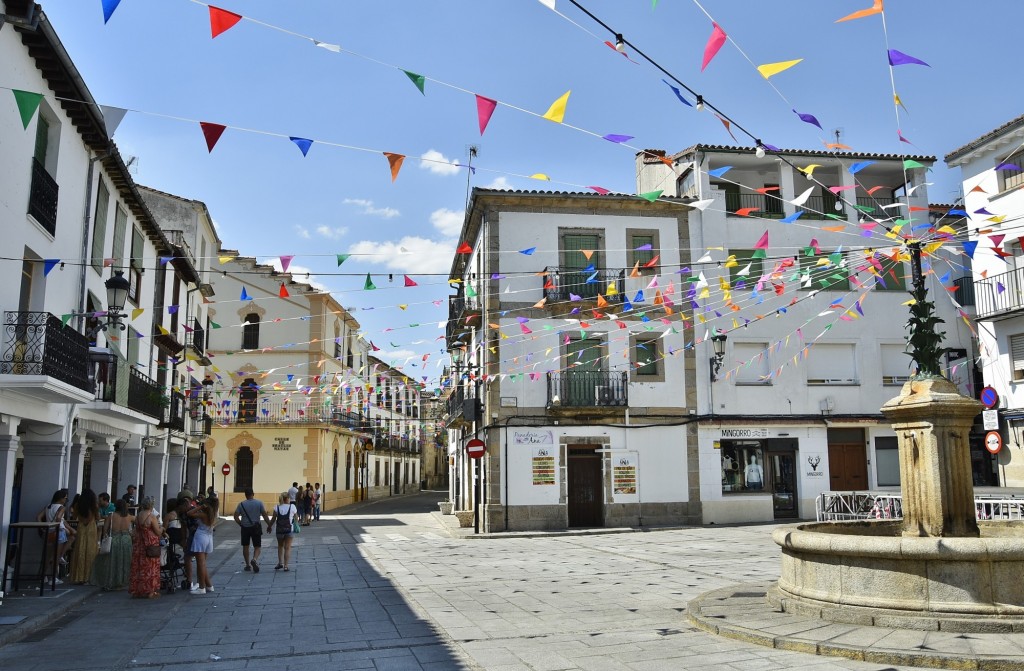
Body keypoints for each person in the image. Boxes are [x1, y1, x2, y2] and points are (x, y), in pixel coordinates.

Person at [91, 499, 134, 590]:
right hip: (126, 540)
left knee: (113, 561)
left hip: (114, 539)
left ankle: (112, 581)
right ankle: (123, 581)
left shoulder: (111, 516)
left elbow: (105, 530)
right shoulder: (129, 517)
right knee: (125, 561)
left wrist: (102, 539)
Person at [37, 489, 75, 583]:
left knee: (48, 555)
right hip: (59, 531)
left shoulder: (48, 507)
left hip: (49, 531)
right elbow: (59, 518)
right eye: (65, 498)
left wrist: (42, 527)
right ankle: (54, 578)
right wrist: (64, 528)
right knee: (56, 556)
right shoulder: (61, 507)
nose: (66, 500)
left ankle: (44, 576)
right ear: (61, 498)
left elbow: (38, 517)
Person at [129, 497, 163, 598]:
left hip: (140, 544)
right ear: (152, 505)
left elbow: (136, 529)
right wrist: (162, 528)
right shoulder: (151, 516)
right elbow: (157, 532)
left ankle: (138, 589)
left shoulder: (138, 515)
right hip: (150, 543)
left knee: (139, 566)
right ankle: (150, 591)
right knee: (150, 567)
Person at [234, 488, 271, 573]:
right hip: (256, 527)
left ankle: (247, 565)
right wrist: (269, 525)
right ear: (253, 494)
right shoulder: (259, 503)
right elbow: (265, 515)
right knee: (257, 546)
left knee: (245, 546)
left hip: (245, 528)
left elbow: (235, 516)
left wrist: (241, 524)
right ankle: (254, 559)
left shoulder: (241, 504)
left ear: (245, 495)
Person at [188, 496, 219, 594]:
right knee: (203, 563)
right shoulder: (213, 514)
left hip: (200, 536)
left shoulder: (203, 514)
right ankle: (209, 585)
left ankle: (202, 587)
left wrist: (200, 507)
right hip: (208, 537)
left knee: (200, 564)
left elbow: (189, 513)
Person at [68, 489, 100, 584]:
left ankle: (78, 576)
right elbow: (98, 517)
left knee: (80, 550)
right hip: (91, 528)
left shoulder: (77, 505)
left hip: (81, 527)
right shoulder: (94, 506)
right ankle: (89, 576)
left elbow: (74, 517)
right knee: (91, 552)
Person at [267, 492, 297, 571]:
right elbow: (296, 518)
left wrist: (269, 526)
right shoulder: (292, 507)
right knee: (287, 548)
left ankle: (280, 563)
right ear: (287, 499)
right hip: (289, 530)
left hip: (279, 530)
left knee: (280, 546)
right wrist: (296, 524)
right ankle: (286, 566)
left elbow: (273, 519)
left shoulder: (277, 507)